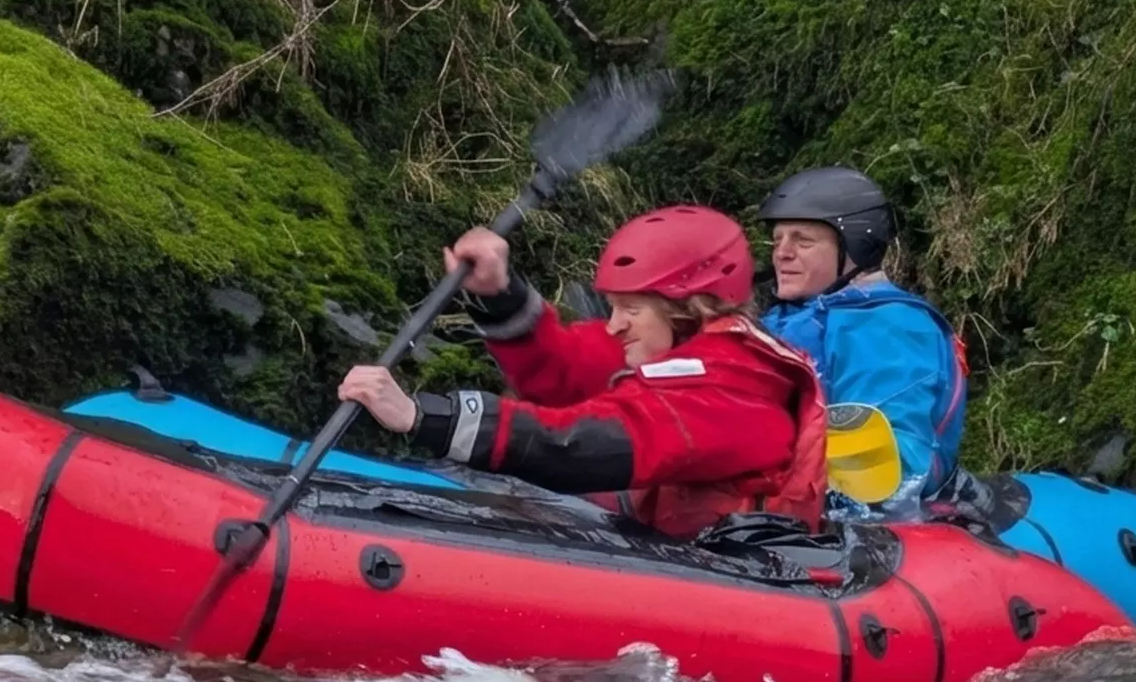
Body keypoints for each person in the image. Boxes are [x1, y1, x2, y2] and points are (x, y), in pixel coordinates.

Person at [338, 206, 829, 539]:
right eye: (612, 307)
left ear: (687, 307)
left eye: (630, 309)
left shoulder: (734, 390)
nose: (614, 326)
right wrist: (497, 290)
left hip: (737, 583)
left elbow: (579, 447)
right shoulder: (667, 345)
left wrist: (421, 418)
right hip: (673, 555)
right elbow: (561, 370)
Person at [755, 167, 967, 516]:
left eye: (802, 240)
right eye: (777, 240)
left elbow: (888, 478)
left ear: (855, 248)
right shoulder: (790, 315)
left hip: (850, 531)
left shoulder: (887, 326)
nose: (782, 253)